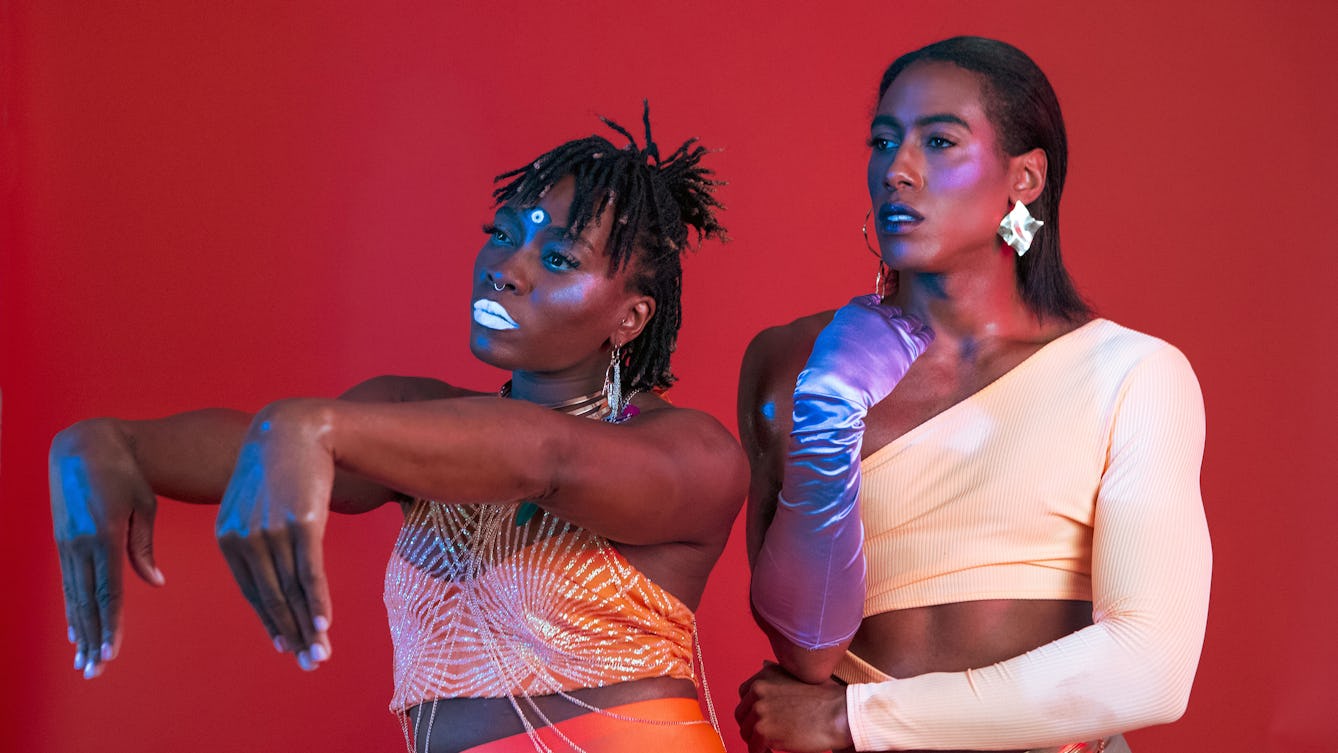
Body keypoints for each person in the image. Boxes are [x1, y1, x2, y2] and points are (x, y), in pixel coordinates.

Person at [49, 105, 747, 753]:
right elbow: (262, 445)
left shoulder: (693, 452)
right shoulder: (420, 424)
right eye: (503, 236)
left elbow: (548, 455)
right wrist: (114, 445)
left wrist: (315, 426)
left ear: (631, 318)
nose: (506, 269)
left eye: (557, 259)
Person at [735, 37, 1210, 753]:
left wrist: (855, 720)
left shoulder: (1132, 374)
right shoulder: (792, 362)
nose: (897, 169)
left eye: (940, 141)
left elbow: (1151, 666)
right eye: (884, 140)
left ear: (1024, 178)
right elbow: (805, 655)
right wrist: (828, 410)